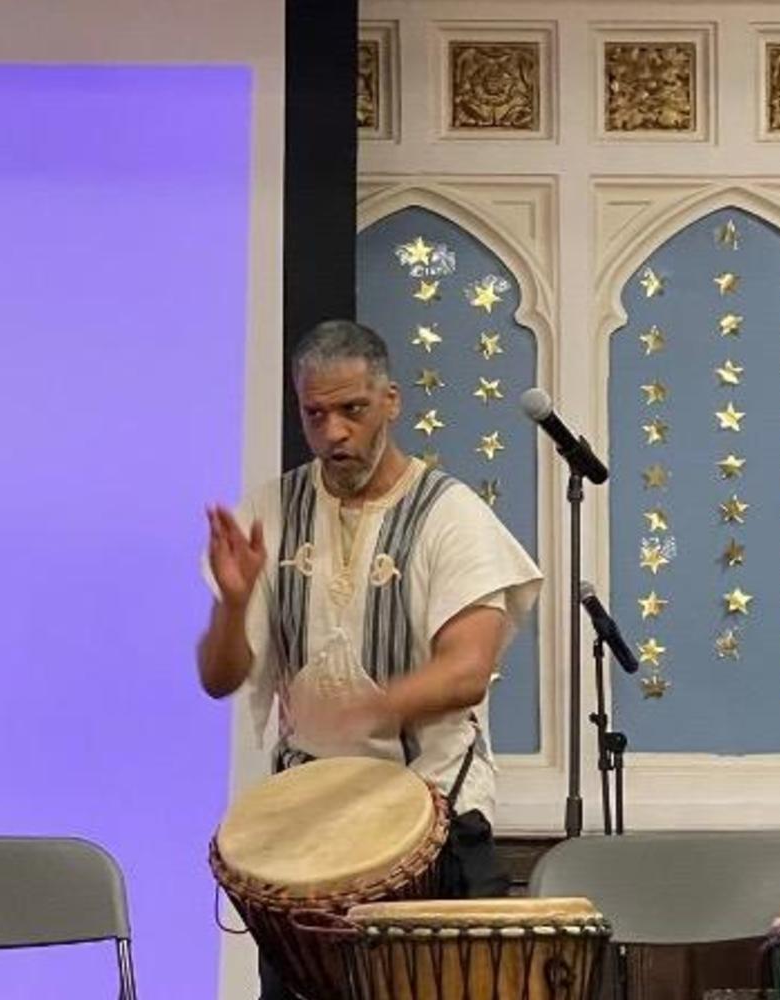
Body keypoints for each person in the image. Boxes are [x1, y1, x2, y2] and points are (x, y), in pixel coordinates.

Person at [198, 319, 543, 999]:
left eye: (352, 410)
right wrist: (234, 605)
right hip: (308, 840)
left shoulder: (449, 515)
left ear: (391, 401)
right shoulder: (273, 510)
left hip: (436, 828)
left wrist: (370, 707)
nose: (334, 433)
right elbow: (218, 677)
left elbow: (468, 670)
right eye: (314, 414)